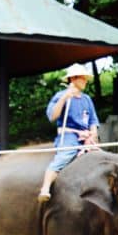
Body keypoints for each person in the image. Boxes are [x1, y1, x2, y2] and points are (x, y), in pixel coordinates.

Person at [37, 64, 100, 202]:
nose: (85, 81)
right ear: (73, 79)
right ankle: (45, 187)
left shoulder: (87, 99)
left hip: (86, 137)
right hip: (69, 136)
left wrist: (92, 135)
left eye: (85, 78)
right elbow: (52, 116)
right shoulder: (60, 96)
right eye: (82, 78)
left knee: (99, 157)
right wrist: (64, 98)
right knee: (65, 156)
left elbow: (93, 121)